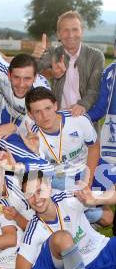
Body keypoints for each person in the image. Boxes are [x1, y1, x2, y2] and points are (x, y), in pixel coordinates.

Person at [16, 171, 109, 269]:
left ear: (50, 188)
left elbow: (104, 196)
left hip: (68, 260)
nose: (36, 199)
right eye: (30, 194)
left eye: (40, 191)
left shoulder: (69, 199)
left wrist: (96, 198)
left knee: (63, 237)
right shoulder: (33, 229)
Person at [23, 87, 112, 227]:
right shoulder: (32, 137)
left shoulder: (78, 120)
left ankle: (93, 203)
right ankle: (87, 213)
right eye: (37, 112)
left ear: (56, 105)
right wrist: (34, 151)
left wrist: (86, 183)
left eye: (48, 108)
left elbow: (94, 147)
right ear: (30, 114)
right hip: (61, 178)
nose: (45, 116)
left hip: (87, 165)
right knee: (107, 219)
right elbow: (40, 173)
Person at [33, 10, 104, 117]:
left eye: (75, 29)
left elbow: (93, 89)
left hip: (85, 119)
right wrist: (35, 58)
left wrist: (82, 105)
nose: (70, 35)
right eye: (66, 30)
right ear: (58, 34)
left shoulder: (96, 56)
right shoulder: (53, 53)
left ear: (82, 31)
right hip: (57, 122)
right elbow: (32, 70)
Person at [0, 53, 50, 141]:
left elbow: (40, 125)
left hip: (28, 121)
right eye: (16, 77)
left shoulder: (42, 97)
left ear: (35, 78)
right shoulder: (1, 70)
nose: (21, 85)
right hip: (6, 112)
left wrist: (15, 128)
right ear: (9, 75)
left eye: (27, 78)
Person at [87, 39, 116, 192]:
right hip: (110, 145)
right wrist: (72, 119)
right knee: (100, 193)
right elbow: (100, 109)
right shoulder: (111, 72)